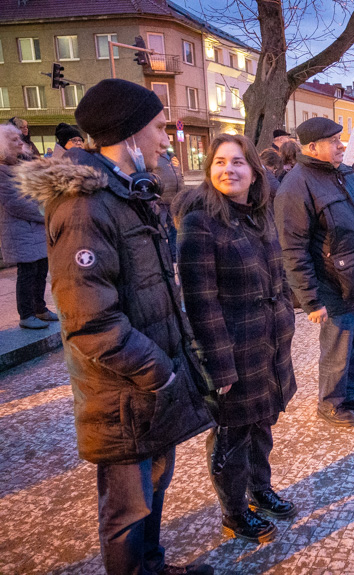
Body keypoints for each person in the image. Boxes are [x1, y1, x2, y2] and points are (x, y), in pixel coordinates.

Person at [18, 79, 214, 575]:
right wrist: (161, 375)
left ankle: (154, 567)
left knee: (154, 488)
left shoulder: (125, 193)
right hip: (124, 393)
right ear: (128, 135)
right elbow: (89, 321)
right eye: (158, 128)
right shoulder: (84, 206)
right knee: (128, 509)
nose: (166, 139)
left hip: (148, 386)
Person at [175, 134, 297, 544]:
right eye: (220, 162)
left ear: (254, 171)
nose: (229, 169)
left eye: (238, 162)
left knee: (262, 424)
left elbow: (276, 278)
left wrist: (285, 322)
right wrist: (218, 365)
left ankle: (259, 489)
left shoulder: (259, 215)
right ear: (209, 171)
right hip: (233, 349)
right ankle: (234, 511)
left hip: (267, 343)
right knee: (232, 434)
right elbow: (200, 302)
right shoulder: (199, 223)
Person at [277, 117, 354, 426]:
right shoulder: (295, 186)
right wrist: (310, 300)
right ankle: (330, 403)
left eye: (342, 139)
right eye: (335, 141)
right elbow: (293, 249)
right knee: (337, 350)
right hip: (333, 284)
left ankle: (348, 392)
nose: (343, 145)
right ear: (312, 147)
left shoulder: (345, 172)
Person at [0, 124, 57, 329]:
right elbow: (15, 203)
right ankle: (26, 314)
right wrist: (46, 213)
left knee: (41, 269)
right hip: (20, 230)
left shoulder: (22, 165)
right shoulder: (2, 171)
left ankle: (40, 309)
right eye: (14, 140)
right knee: (27, 272)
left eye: (19, 139)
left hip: (35, 229)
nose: (20, 142)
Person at [153, 151, 184, 260]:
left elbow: (180, 174)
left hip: (174, 200)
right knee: (159, 229)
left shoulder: (173, 157)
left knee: (175, 229)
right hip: (161, 201)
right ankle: (160, 256)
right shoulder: (155, 157)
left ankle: (173, 255)